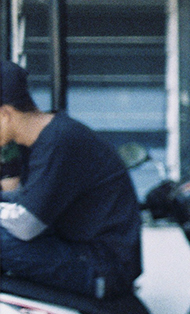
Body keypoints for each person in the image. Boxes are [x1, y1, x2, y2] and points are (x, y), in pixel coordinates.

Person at [0, 60, 142, 299]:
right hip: (73, 251)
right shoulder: (32, 143)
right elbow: (16, 201)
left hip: (102, 265)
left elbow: (25, 224)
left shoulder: (60, 141)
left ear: (4, 114)